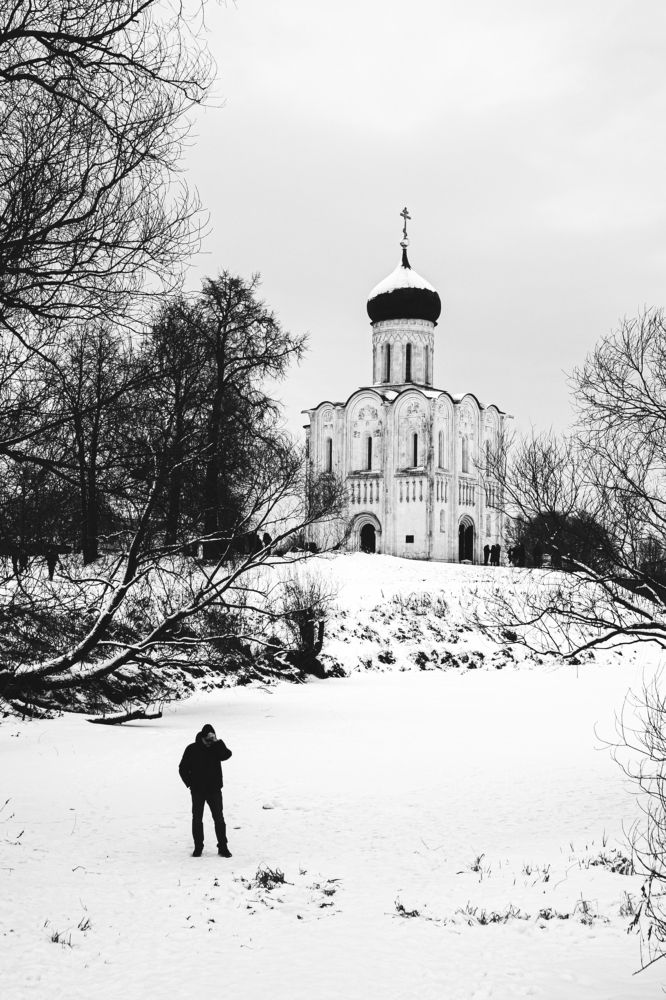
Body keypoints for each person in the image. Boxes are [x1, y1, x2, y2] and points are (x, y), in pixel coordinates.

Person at [179, 723, 233, 858]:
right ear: (202, 737)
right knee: (197, 819)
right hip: (198, 791)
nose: (210, 743)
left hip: (214, 790)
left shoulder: (216, 748)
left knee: (219, 819)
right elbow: (182, 768)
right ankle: (198, 847)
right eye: (208, 740)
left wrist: (217, 742)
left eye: (212, 739)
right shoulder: (192, 749)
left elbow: (227, 755)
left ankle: (223, 847)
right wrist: (190, 783)